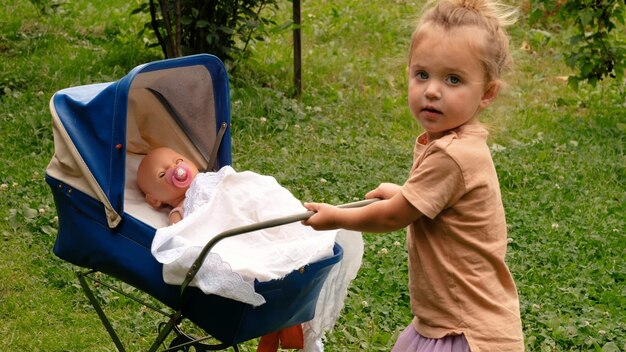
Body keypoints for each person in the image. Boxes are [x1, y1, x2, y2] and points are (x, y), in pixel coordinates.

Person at [301, 0, 524, 350]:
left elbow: (394, 216)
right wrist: (406, 192)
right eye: (423, 74)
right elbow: (430, 200)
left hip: (465, 331)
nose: (432, 90)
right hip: (444, 320)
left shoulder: (452, 154)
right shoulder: (456, 142)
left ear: (488, 93)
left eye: (453, 79)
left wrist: (336, 218)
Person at [136, 147, 199, 224]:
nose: (173, 167)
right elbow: (177, 231)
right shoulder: (180, 212)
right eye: (162, 174)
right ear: (154, 200)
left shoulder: (213, 177)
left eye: (178, 161)